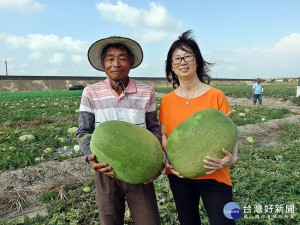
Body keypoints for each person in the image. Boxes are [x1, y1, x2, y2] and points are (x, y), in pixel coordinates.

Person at [76, 36, 163, 225]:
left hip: (140, 170)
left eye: (122, 58)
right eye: (110, 58)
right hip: (106, 170)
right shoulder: (90, 92)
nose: (116, 64)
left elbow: (153, 128)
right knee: (110, 221)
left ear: (131, 62)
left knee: (149, 221)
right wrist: (90, 157)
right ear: (103, 63)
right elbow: (83, 132)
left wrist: (157, 162)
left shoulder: (146, 91)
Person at [159, 30, 239, 225]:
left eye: (187, 56)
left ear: (197, 61)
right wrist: (167, 160)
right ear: (171, 66)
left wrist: (233, 158)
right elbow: (164, 134)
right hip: (180, 178)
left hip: (216, 175)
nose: (182, 62)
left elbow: (230, 130)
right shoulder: (167, 101)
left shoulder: (216, 95)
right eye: (176, 58)